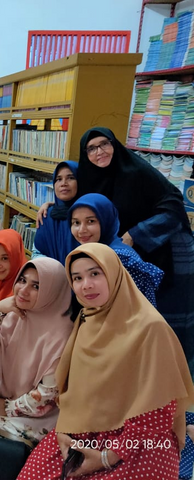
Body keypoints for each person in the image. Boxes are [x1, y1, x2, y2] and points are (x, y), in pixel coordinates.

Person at [18, 243, 194, 480]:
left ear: (114, 274)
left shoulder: (150, 328)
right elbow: (76, 390)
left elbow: (159, 410)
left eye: (95, 273)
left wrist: (107, 456)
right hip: (85, 429)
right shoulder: (87, 319)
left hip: (140, 440)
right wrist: (63, 431)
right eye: (77, 278)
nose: (86, 285)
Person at [77, 126, 194, 375]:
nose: (100, 152)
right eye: (92, 148)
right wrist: (50, 204)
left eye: (105, 144)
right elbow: (74, 198)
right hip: (131, 255)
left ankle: (171, 382)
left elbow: (174, 206)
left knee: (164, 322)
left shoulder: (137, 171)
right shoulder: (91, 177)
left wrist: (135, 234)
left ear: (115, 144)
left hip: (166, 251)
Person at [0, 257, 73, 444]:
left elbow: (46, 397)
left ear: (52, 292)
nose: (23, 290)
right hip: (2, 398)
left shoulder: (61, 333)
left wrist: (6, 407)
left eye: (36, 286)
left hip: (35, 417)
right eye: (22, 280)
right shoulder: (17, 314)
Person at [68, 193, 163, 307]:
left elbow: (129, 309)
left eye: (91, 221)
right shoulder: (94, 252)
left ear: (106, 221)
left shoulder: (119, 258)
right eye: (76, 223)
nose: (81, 230)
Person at [33, 161, 78, 264]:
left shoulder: (88, 216)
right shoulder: (45, 215)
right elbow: (37, 253)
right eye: (58, 179)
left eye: (71, 178)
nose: (63, 184)